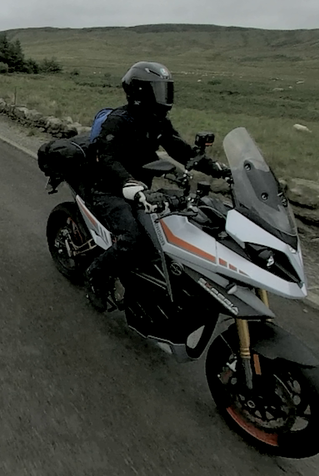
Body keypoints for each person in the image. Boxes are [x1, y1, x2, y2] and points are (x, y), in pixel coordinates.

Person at [80, 61, 219, 310]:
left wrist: (218, 169)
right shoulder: (118, 121)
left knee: (173, 229)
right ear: (140, 92)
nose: (164, 95)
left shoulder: (157, 121)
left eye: (166, 88)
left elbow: (179, 149)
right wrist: (128, 182)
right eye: (158, 89)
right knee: (131, 239)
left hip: (141, 191)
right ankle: (96, 275)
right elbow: (106, 157)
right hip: (109, 189)